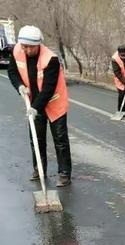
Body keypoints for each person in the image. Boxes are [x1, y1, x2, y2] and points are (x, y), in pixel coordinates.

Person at [8, 25, 72, 186]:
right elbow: (12, 72)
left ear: (38, 45)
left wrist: (36, 108)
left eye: (30, 47)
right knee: (36, 138)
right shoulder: (17, 51)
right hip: (33, 102)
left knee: (60, 139)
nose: (26, 50)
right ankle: (39, 169)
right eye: (24, 46)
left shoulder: (51, 59)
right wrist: (20, 86)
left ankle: (64, 173)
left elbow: (49, 89)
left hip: (53, 102)